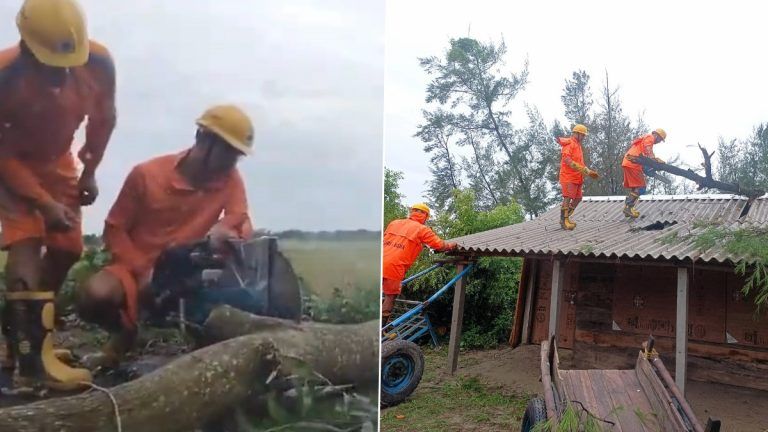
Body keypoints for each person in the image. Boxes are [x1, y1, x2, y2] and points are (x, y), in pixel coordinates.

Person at [76, 104, 254, 368]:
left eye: (236, 156)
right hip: (136, 267)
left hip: (185, 273)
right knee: (94, 296)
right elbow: (115, 228)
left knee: (228, 304)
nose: (231, 163)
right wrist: (142, 270)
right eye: (227, 152)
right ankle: (125, 334)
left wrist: (226, 231)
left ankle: (200, 358)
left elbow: (240, 218)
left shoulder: (230, 179)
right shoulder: (146, 174)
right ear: (202, 139)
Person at [0, 0, 116, 390]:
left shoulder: (98, 63)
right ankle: (31, 370)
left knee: (67, 248)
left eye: (65, 65)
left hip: (60, 160)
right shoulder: (4, 74)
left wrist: (91, 170)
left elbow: (104, 118)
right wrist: (42, 202)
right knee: (26, 240)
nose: (59, 76)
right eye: (49, 65)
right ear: (27, 46)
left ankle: (27, 339)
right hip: (11, 161)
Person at [381, 203, 457, 326]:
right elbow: (440, 245)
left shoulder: (394, 223)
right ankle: (381, 329)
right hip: (394, 266)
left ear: (412, 212)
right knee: (390, 297)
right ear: (425, 216)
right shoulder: (422, 229)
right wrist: (451, 245)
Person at [557, 124, 599, 230]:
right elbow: (567, 160)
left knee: (578, 198)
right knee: (567, 197)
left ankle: (566, 217)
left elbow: (580, 163)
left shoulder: (578, 146)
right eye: (583, 135)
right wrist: (584, 170)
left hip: (577, 177)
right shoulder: (569, 143)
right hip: (568, 176)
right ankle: (564, 220)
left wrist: (589, 172)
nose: (584, 137)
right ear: (578, 134)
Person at [621, 129, 667, 218]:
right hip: (633, 163)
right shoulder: (650, 137)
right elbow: (648, 149)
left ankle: (629, 208)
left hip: (628, 162)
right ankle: (628, 207)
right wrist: (655, 160)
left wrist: (649, 166)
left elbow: (644, 156)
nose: (659, 142)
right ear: (657, 136)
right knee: (641, 187)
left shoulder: (643, 140)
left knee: (635, 187)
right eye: (660, 140)